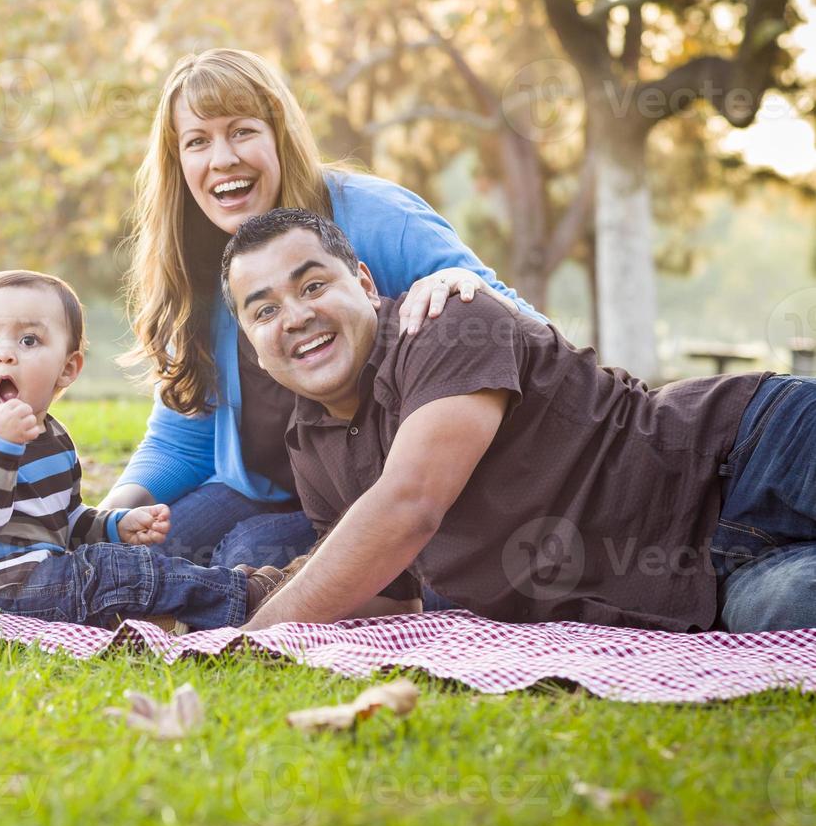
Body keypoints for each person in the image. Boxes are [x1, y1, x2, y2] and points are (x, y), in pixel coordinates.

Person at [222, 207, 814, 632]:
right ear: (252, 344)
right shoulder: (310, 444)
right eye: (266, 310)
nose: (296, 317)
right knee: (796, 611)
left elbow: (409, 505)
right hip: (705, 581)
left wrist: (252, 640)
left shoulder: (447, 322)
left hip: (743, 453)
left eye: (314, 285)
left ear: (366, 284)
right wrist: (241, 595)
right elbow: (387, 595)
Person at [100, 48, 547, 577]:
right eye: (197, 141)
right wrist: (106, 515)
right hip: (262, 491)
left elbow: (527, 332)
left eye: (242, 131)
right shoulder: (194, 264)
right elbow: (184, 435)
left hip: (385, 490)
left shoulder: (380, 218)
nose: (221, 159)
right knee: (116, 560)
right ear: (179, 163)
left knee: (246, 555)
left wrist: (463, 284)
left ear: (279, 134)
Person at [0, 270, 284, 629]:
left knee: (118, 562)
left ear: (67, 369)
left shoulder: (54, 439)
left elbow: (65, 521)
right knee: (109, 570)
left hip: (42, 583)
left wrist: (115, 525)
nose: (3, 355)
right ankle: (243, 595)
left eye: (29, 341)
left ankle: (186, 611)